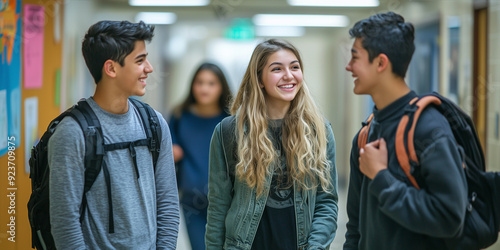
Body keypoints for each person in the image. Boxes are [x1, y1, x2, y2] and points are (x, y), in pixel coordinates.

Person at [48, 20, 179, 249]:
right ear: (111, 68)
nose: (149, 68)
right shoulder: (72, 133)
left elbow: (167, 205)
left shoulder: (155, 124)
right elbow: (65, 225)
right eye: (140, 60)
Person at [343, 12, 467, 249]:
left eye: (355, 57)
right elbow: (355, 227)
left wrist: (381, 177)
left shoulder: (429, 129)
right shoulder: (366, 134)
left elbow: (450, 218)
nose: (349, 67)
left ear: (381, 63)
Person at [205, 39, 338, 249]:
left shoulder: (318, 131)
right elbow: (218, 206)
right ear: (259, 80)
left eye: (295, 67)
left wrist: (316, 246)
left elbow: (326, 201)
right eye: (277, 69)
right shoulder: (229, 132)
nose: (289, 75)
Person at [168, 62, 232, 250]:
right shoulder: (179, 116)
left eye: (211, 83)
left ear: (221, 87)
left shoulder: (231, 119)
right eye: (200, 82)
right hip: (191, 202)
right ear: (192, 85)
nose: (204, 88)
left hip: (227, 201)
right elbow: (170, 151)